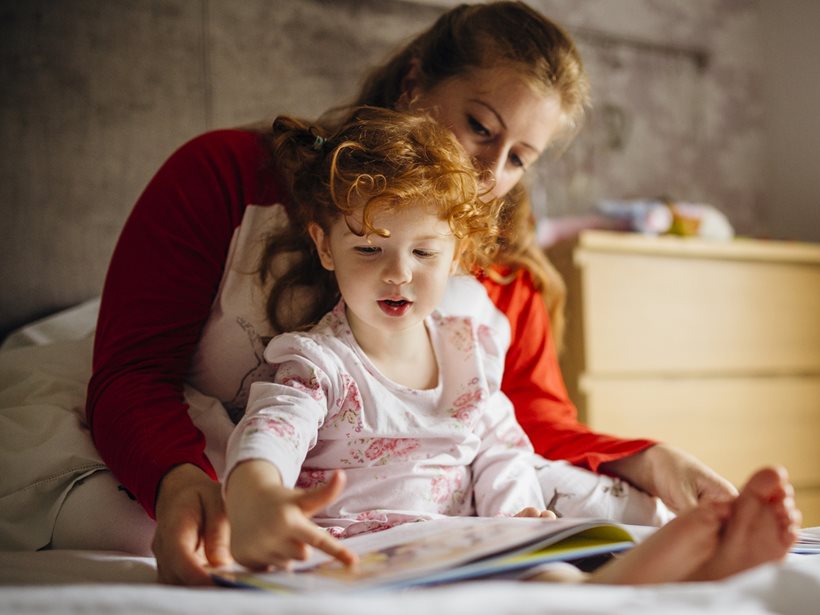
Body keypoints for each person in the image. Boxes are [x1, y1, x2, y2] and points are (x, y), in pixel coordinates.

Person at [79, 1, 736, 585]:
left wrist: (648, 461)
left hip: (429, 483)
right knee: (126, 519)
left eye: (518, 157)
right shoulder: (224, 177)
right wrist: (178, 480)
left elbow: (522, 420)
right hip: (240, 463)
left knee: (582, 496)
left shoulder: (496, 277)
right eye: (481, 127)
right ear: (415, 83)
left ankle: (635, 570)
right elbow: (134, 371)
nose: (489, 173)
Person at [222, 109, 801, 584]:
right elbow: (273, 431)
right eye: (369, 251)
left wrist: (518, 518)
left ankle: (683, 576)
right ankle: (647, 583)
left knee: (546, 571)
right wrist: (257, 497)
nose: (397, 275)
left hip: (469, 544)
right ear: (325, 247)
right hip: (365, 553)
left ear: (456, 255)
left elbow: (500, 450)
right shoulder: (317, 362)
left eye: (423, 253)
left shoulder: (465, 349)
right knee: (549, 587)